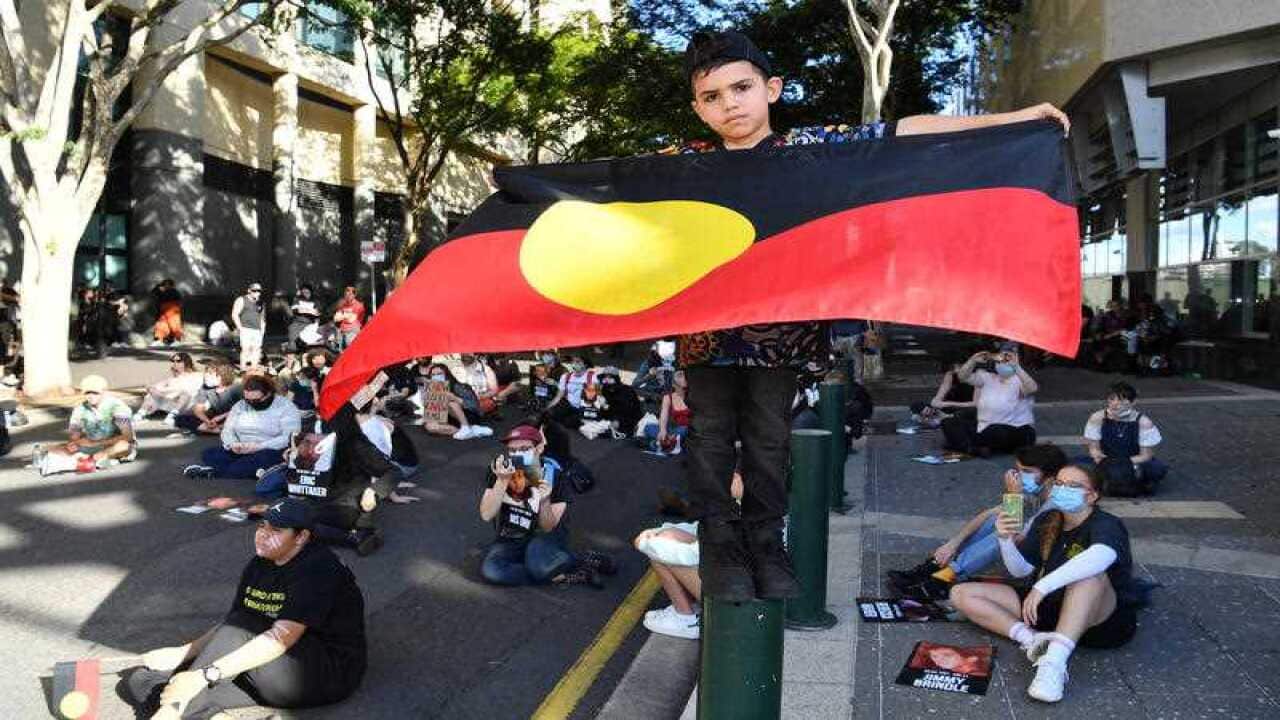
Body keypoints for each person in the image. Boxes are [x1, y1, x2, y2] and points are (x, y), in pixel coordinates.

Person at [673, 30, 1069, 602]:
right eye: (712, 96)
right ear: (698, 109)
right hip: (706, 337)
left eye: (741, 87)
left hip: (782, 335)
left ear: (771, 89)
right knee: (709, 438)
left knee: (767, 439)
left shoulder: (816, 147)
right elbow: (598, 189)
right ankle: (719, 549)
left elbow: (903, 133)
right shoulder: (682, 165)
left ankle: (765, 543)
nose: (729, 103)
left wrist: (1013, 121)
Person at [128, 498, 365, 719]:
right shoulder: (259, 564)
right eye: (263, 526)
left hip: (323, 673)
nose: (263, 535)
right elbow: (231, 624)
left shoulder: (319, 569)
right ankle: (189, 711)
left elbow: (281, 638)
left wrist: (206, 674)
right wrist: (183, 652)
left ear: (301, 537)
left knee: (193, 681)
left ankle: (173, 710)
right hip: (268, 663)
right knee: (142, 679)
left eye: (276, 530)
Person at [949, 464, 1139, 703]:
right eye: (1059, 483)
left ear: (1093, 495)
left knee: (1089, 576)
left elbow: (1101, 555)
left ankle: (1053, 665)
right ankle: (1035, 643)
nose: (1062, 489)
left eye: (1073, 486)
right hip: (1049, 611)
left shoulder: (1106, 523)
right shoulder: (1049, 519)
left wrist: (1041, 587)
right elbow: (1021, 570)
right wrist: (1005, 540)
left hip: (1100, 622)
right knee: (960, 594)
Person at [890, 444, 1069, 600]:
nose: (1020, 476)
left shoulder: (1054, 506)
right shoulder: (1034, 494)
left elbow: (1016, 539)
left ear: (1050, 477)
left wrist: (1014, 497)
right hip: (1018, 555)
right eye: (1019, 469)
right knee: (996, 519)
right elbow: (988, 515)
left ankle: (943, 579)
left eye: (1028, 472)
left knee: (1005, 531)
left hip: (1032, 569)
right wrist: (953, 544)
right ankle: (936, 566)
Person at [477, 424, 614, 587]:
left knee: (539, 567)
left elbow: (548, 526)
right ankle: (559, 573)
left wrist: (544, 500)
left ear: (539, 448)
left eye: (524, 448)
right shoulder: (500, 471)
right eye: (512, 450)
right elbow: (486, 514)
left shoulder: (556, 476)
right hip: (512, 534)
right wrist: (501, 481)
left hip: (544, 535)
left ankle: (578, 560)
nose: (517, 454)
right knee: (493, 571)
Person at [635, 471, 745, 640]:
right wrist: (661, 531)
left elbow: (692, 555)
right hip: (739, 583)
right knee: (665, 536)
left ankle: (685, 618)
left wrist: (647, 544)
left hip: (739, 601)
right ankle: (689, 611)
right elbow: (701, 532)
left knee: (660, 550)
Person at [185, 374, 300, 479]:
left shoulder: (286, 407)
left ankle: (216, 472)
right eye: (248, 400)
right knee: (209, 453)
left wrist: (258, 446)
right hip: (240, 449)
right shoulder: (240, 405)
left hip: (268, 449)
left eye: (256, 400)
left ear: (269, 394)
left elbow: (290, 437)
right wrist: (232, 444)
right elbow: (228, 430)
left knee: (266, 459)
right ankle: (245, 470)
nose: (251, 404)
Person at [942, 345, 1038, 457]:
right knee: (948, 422)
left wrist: (1016, 367)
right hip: (986, 427)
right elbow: (963, 377)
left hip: (1017, 431)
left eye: (1008, 358)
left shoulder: (1020, 380)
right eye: (1001, 359)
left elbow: (1032, 388)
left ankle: (961, 443)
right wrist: (973, 360)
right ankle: (971, 449)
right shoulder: (987, 377)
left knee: (995, 430)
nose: (1004, 361)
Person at [37, 375, 137, 475]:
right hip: (90, 444)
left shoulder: (118, 407)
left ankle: (90, 460)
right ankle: (89, 460)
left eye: (95, 393)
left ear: (104, 392)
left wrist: (98, 443)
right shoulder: (80, 409)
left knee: (124, 446)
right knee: (61, 448)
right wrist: (75, 442)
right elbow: (74, 435)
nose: (91, 396)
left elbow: (127, 436)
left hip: (113, 444)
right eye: (88, 392)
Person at [1079, 382, 1167, 496]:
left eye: (1121, 400)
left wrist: (1122, 464)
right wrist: (1102, 460)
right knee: (1079, 465)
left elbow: (1146, 456)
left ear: (1133, 402)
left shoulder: (1143, 422)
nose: (1115, 404)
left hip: (1133, 461)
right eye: (1112, 399)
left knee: (1156, 469)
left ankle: (1132, 482)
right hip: (1106, 459)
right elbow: (1094, 449)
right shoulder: (1097, 418)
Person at [415, 363, 492, 439]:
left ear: (447, 375)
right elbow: (434, 415)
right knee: (430, 427)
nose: (436, 376)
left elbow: (474, 406)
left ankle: (466, 426)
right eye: (433, 375)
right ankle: (470, 431)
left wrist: (455, 398)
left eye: (439, 373)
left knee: (450, 401)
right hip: (450, 420)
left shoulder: (459, 386)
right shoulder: (434, 389)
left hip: (468, 416)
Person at [134, 353, 203, 425]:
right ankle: (139, 415)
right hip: (174, 403)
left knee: (185, 393)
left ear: (186, 362)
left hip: (190, 404)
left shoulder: (197, 375)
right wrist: (151, 389)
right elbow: (153, 388)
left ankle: (172, 417)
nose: (175, 363)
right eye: (173, 361)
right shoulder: (171, 379)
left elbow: (199, 389)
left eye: (178, 361)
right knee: (152, 394)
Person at [642, 370, 691, 455]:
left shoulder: (692, 397)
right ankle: (668, 443)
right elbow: (663, 416)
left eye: (684, 375)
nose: (684, 377)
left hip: (681, 431)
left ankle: (658, 444)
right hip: (669, 429)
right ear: (673, 383)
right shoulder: (668, 397)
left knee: (684, 430)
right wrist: (662, 430)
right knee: (648, 427)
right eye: (679, 375)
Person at [546, 355, 594, 429]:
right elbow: (559, 396)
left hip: (584, 408)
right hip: (568, 405)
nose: (574, 364)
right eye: (573, 361)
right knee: (550, 415)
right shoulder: (566, 376)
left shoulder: (592, 377)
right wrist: (547, 409)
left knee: (569, 422)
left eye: (578, 362)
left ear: (585, 364)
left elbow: (598, 397)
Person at [231, 283, 266, 370]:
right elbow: (234, 314)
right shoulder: (241, 299)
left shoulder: (261, 303)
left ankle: (253, 369)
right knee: (245, 349)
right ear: (249, 290)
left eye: (259, 291)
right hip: (246, 328)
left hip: (257, 330)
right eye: (254, 290)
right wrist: (240, 328)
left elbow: (262, 318)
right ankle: (243, 369)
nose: (257, 293)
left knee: (257, 350)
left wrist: (262, 331)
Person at [287, 285, 321, 351]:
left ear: (311, 292)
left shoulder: (315, 301)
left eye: (307, 292)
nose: (306, 294)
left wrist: (313, 313)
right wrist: (308, 311)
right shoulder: (297, 300)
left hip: (309, 324)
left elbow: (318, 313)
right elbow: (295, 309)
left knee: (308, 342)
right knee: (293, 340)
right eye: (304, 292)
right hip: (297, 323)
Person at [151, 278, 184, 346]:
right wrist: (158, 287)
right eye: (164, 284)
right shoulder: (162, 290)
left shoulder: (174, 291)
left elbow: (179, 301)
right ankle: (158, 340)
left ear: (171, 285)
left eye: (167, 284)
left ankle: (178, 340)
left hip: (172, 308)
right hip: (164, 308)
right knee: (161, 324)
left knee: (174, 324)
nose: (165, 285)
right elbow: (154, 292)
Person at [332, 286, 366, 350]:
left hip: (353, 331)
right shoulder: (343, 305)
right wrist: (346, 316)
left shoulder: (358, 305)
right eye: (346, 295)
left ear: (354, 295)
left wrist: (342, 316)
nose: (347, 296)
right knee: (338, 348)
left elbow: (351, 320)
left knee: (350, 347)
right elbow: (336, 318)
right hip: (342, 331)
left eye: (350, 294)